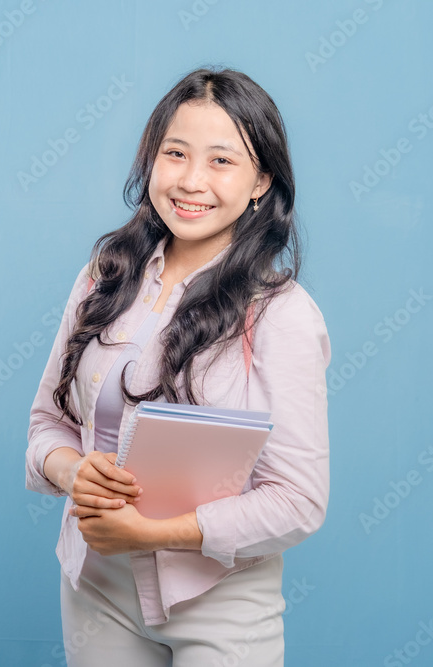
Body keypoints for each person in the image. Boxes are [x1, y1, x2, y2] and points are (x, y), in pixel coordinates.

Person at [24, 66, 331, 666]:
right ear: (151, 161)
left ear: (260, 181)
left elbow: (299, 499)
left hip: (219, 595)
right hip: (94, 582)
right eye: (175, 153)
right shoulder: (102, 277)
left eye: (222, 161)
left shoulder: (281, 313)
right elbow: (45, 426)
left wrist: (155, 533)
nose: (192, 181)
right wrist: (72, 472)